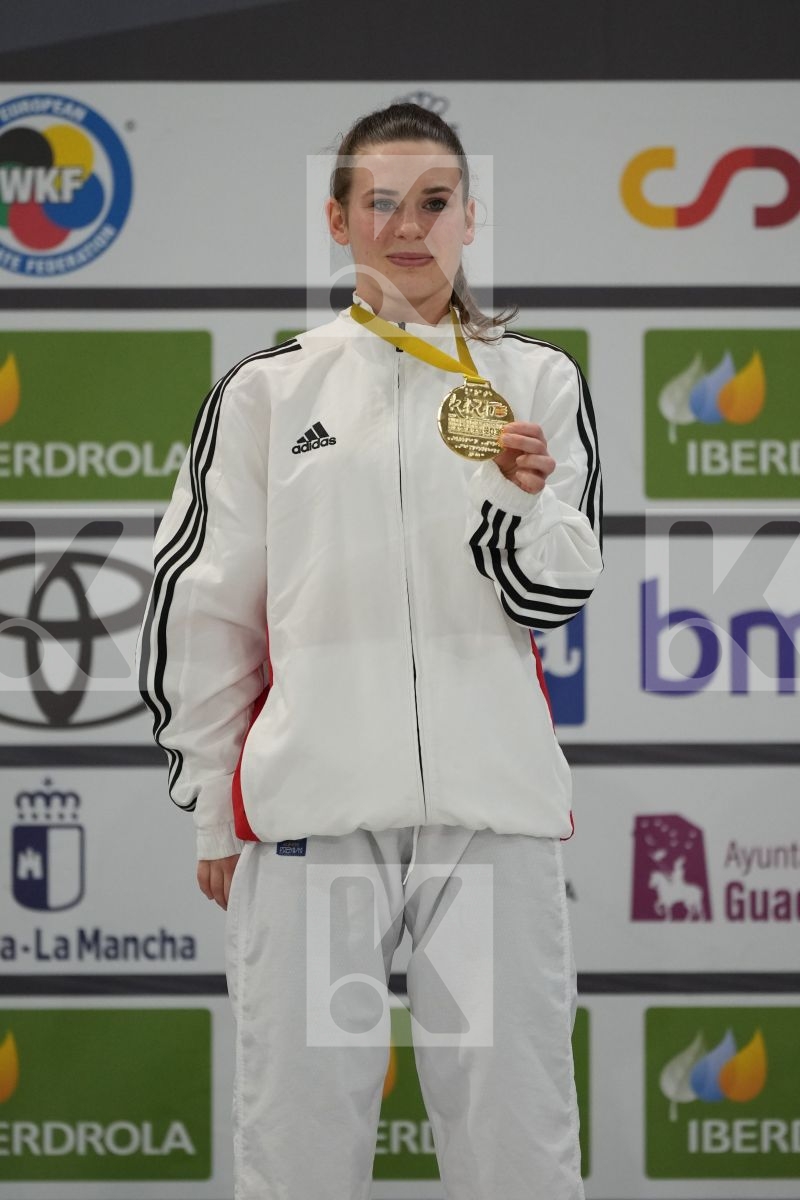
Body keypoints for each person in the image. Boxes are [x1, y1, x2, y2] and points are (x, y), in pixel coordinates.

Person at [136, 101, 602, 1200]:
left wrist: (516, 496)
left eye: (432, 202)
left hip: (488, 822)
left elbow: (558, 592)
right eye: (380, 202)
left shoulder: (534, 384)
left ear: (468, 217)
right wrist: (214, 800)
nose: (407, 225)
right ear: (338, 219)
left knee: (515, 1147)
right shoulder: (270, 388)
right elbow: (202, 602)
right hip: (313, 825)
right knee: (299, 1146)